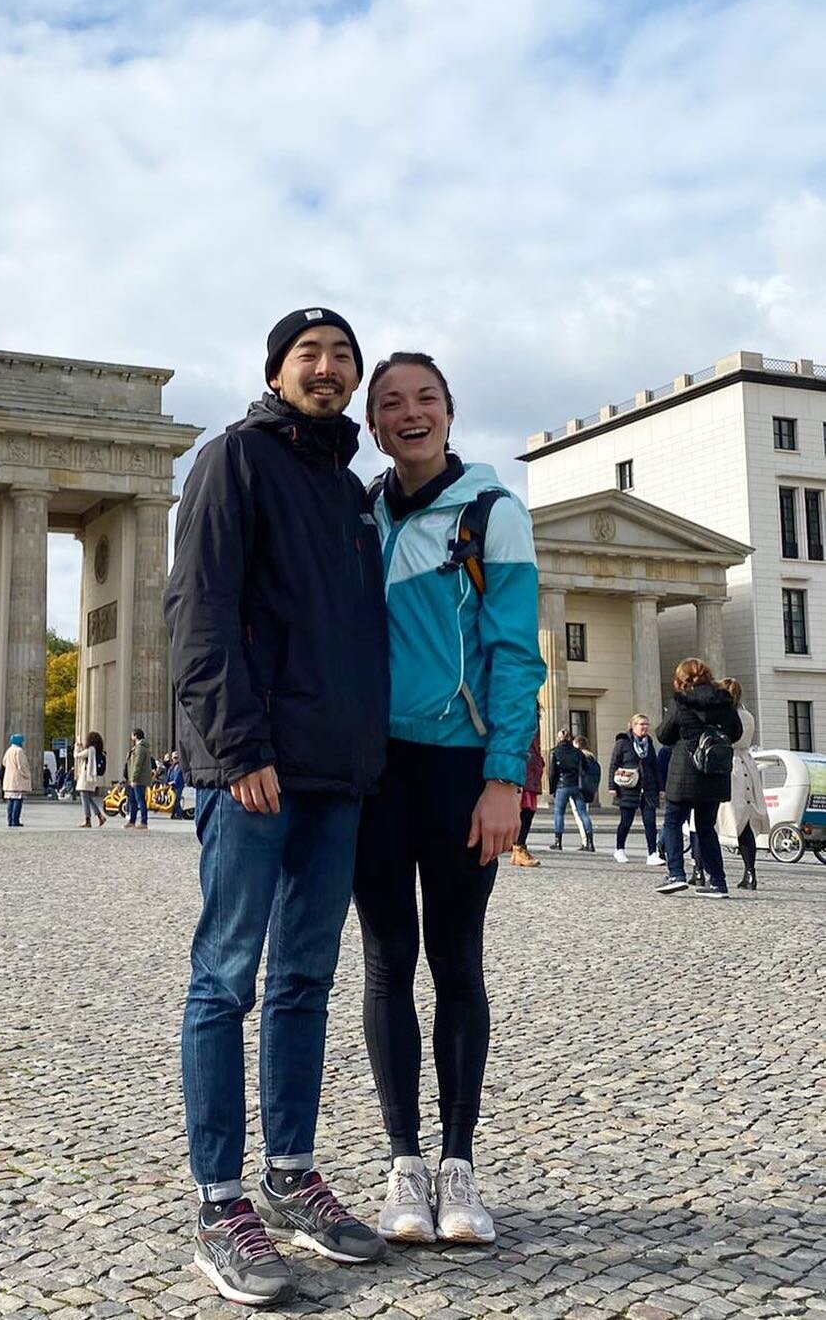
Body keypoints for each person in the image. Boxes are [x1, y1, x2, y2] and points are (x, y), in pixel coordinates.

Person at [165, 307, 388, 1309]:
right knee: (225, 978)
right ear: (276, 369)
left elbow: (353, 641)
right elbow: (197, 610)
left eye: (344, 354)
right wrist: (238, 744)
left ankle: (289, 1173)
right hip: (252, 770)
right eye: (312, 353)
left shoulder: (347, 490)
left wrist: (362, 758)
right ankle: (219, 1201)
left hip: (334, 775)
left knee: (303, 979)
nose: (329, 367)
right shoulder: (232, 461)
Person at [355, 349, 546, 1248]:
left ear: (450, 412)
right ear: (374, 426)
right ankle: (404, 1164)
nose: (409, 412)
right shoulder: (361, 513)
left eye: (424, 398)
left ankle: (460, 1162)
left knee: (456, 961)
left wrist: (505, 777)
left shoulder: (491, 512)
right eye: (391, 403)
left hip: (462, 768)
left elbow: (517, 652)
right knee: (388, 961)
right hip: (374, 769)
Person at [655, 658, 742, 897]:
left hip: (685, 770)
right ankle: (718, 882)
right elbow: (736, 733)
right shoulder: (725, 701)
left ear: (681, 679)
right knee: (706, 828)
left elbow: (663, 734)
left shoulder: (681, 701)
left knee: (673, 822)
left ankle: (676, 874)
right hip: (714, 772)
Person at [715, 678, 770, 892]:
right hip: (747, 764)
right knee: (745, 822)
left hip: (727, 764)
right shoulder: (747, 715)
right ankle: (750, 872)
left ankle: (701, 869)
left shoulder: (723, 716)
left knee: (708, 819)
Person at [608, 714, 662, 865]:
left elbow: (655, 766)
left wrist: (660, 787)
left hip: (648, 788)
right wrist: (612, 786)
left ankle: (652, 853)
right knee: (626, 821)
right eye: (641, 724)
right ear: (633, 726)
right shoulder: (623, 742)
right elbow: (614, 763)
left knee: (650, 822)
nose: (645, 727)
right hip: (628, 787)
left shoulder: (649, 742)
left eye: (646, 724)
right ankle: (619, 849)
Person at [547, 729, 593, 851]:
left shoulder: (554, 752)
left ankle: (558, 842)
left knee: (559, 814)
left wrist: (552, 789)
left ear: (559, 738)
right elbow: (586, 769)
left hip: (562, 786)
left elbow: (552, 773)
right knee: (583, 813)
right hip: (576, 786)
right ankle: (590, 842)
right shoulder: (578, 752)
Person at [511, 725, 544, 867]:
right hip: (522, 769)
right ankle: (518, 847)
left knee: (528, 810)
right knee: (523, 811)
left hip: (531, 770)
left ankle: (517, 848)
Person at [573, 737, 600, 851]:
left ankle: (586, 841)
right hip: (589, 790)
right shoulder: (593, 758)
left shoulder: (579, 757)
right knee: (585, 814)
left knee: (580, 815)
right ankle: (588, 841)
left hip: (578, 789)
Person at [75, 730, 107, 828]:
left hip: (86, 777)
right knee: (88, 798)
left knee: (85, 798)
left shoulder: (90, 750)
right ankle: (100, 816)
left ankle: (88, 820)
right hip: (93, 777)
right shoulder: (98, 751)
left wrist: (76, 747)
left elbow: (77, 756)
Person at [1, 733, 30, 827]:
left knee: (10, 800)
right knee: (18, 800)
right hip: (18, 779)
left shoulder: (9, 750)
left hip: (9, 779)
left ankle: (10, 820)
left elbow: (4, 762)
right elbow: (21, 765)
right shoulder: (19, 751)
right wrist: (26, 774)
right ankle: (15, 820)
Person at [125, 728, 152, 829]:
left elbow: (137, 764)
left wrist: (134, 778)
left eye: (132, 735)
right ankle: (132, 821)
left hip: (139, 779)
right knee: (133, 800)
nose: (131, 737)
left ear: (135, 736)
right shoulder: (137, 747)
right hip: (134, 778)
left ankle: (144, 822)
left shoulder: (140, 748)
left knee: (140, 800)